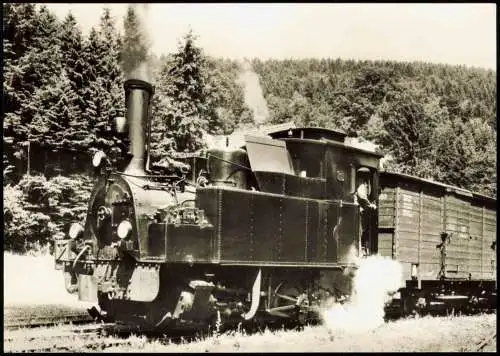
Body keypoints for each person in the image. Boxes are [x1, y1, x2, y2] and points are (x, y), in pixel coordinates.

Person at [355, 167, 376, 253]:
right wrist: (370, 205)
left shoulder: (361, 183)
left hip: (361, 210)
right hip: (360, 211)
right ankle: (359, 251)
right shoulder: (361, 185)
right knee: (360, 231)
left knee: (362, 231)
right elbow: (362, 196)